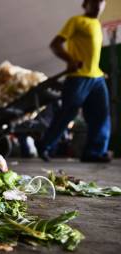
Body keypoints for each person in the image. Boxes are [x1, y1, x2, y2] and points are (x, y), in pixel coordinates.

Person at [38, 0, 111, 163]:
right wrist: (70, 59)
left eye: (102, 0)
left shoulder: (97, 24)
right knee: (67, 113)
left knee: (101, 115)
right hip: (78, 76)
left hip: (97, 77)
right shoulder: (77, 21)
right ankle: (45, 146)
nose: (99, 3)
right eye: (95, 0)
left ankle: (94, 152)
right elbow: (55, 44)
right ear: (86, 4)